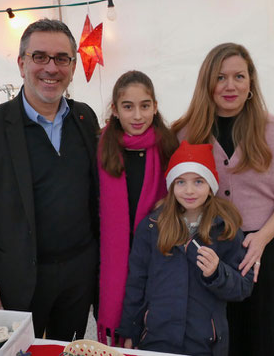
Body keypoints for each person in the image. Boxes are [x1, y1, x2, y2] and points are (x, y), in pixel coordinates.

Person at [0, 19, 100, 341]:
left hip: (79, 275)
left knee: (68, 349)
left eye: (62, 58)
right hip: (17, 279)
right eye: (40, 57)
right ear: (22, 64)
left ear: (73, 67)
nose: (51, 68)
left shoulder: (85, 118)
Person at [171, 43, 274, 355]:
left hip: (267, 250)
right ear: (207, 82)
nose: (229, 85)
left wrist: (261, 239)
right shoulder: (185, 133)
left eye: (238, 77)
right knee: (218, 338)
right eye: (220, 77)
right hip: (211, 252)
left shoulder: (273, 129)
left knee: (268, 338)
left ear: (251, 83)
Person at [117, 141, 254, 356]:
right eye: (181, 182)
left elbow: (243, 287)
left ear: (211, 186)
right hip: (156, 341)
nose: (189, 190)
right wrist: (130, 330)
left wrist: (217, 273)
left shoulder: (226, 229)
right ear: (171, 186)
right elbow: (136, 283)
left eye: (198, 181)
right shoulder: (152, 227)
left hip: (204, 344)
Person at [96, 70, 178, 345]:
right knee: (120, 326)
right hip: (112, 257)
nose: (138, 116)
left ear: (155, 107)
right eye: (128, 107)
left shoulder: (167, 146)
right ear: (115, 110)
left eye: (145, 106)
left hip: (156, 254)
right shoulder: (102, 146)